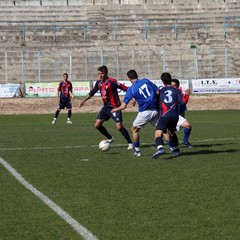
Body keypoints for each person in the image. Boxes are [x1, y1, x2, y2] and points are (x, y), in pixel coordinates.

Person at [79, 65, 133, 149]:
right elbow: (92, 92)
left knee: (119, 126)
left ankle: (130, 143)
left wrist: (132, 98)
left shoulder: (112, 81)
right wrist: (83, 100)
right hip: (106, 107)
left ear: (106, 73)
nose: (100, 75)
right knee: (97, 125)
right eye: (99, 73)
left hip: (115, 107)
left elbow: (125, 88)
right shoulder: (98, 83)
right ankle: (110, 138)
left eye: (102, 73)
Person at [111, 69, 159, 157]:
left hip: (144, 112)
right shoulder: (145, 80)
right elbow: (157, 91)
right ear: (137, 75)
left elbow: (123, 106)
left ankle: (137, 151)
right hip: (155, 110)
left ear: (129, 78)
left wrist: (116, 109)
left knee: (134, 130)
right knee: (162, 129)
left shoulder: (131, 89)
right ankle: (174, 148)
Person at [152, 72, 190, 159]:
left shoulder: (160, 91)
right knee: (171, 133)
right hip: (175, 116)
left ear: (163, 81)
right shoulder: (177, 91)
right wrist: (187, 96)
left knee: (158, 133)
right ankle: (176, 151)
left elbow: (155, 102)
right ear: (170, 79)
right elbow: (182, 102)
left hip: (164, 115)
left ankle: (160, 148)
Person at [171, 79, 193, 148]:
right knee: (168, 133)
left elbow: (183, 103)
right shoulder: (168, 94)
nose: (173, 87)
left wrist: (186, 96)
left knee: (188, 125)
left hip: (178, 115)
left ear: (178, 86)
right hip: (169, 116)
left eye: (174, 86)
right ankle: (160, 146)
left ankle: (185, 141)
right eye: (171, 86)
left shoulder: (179, 94)